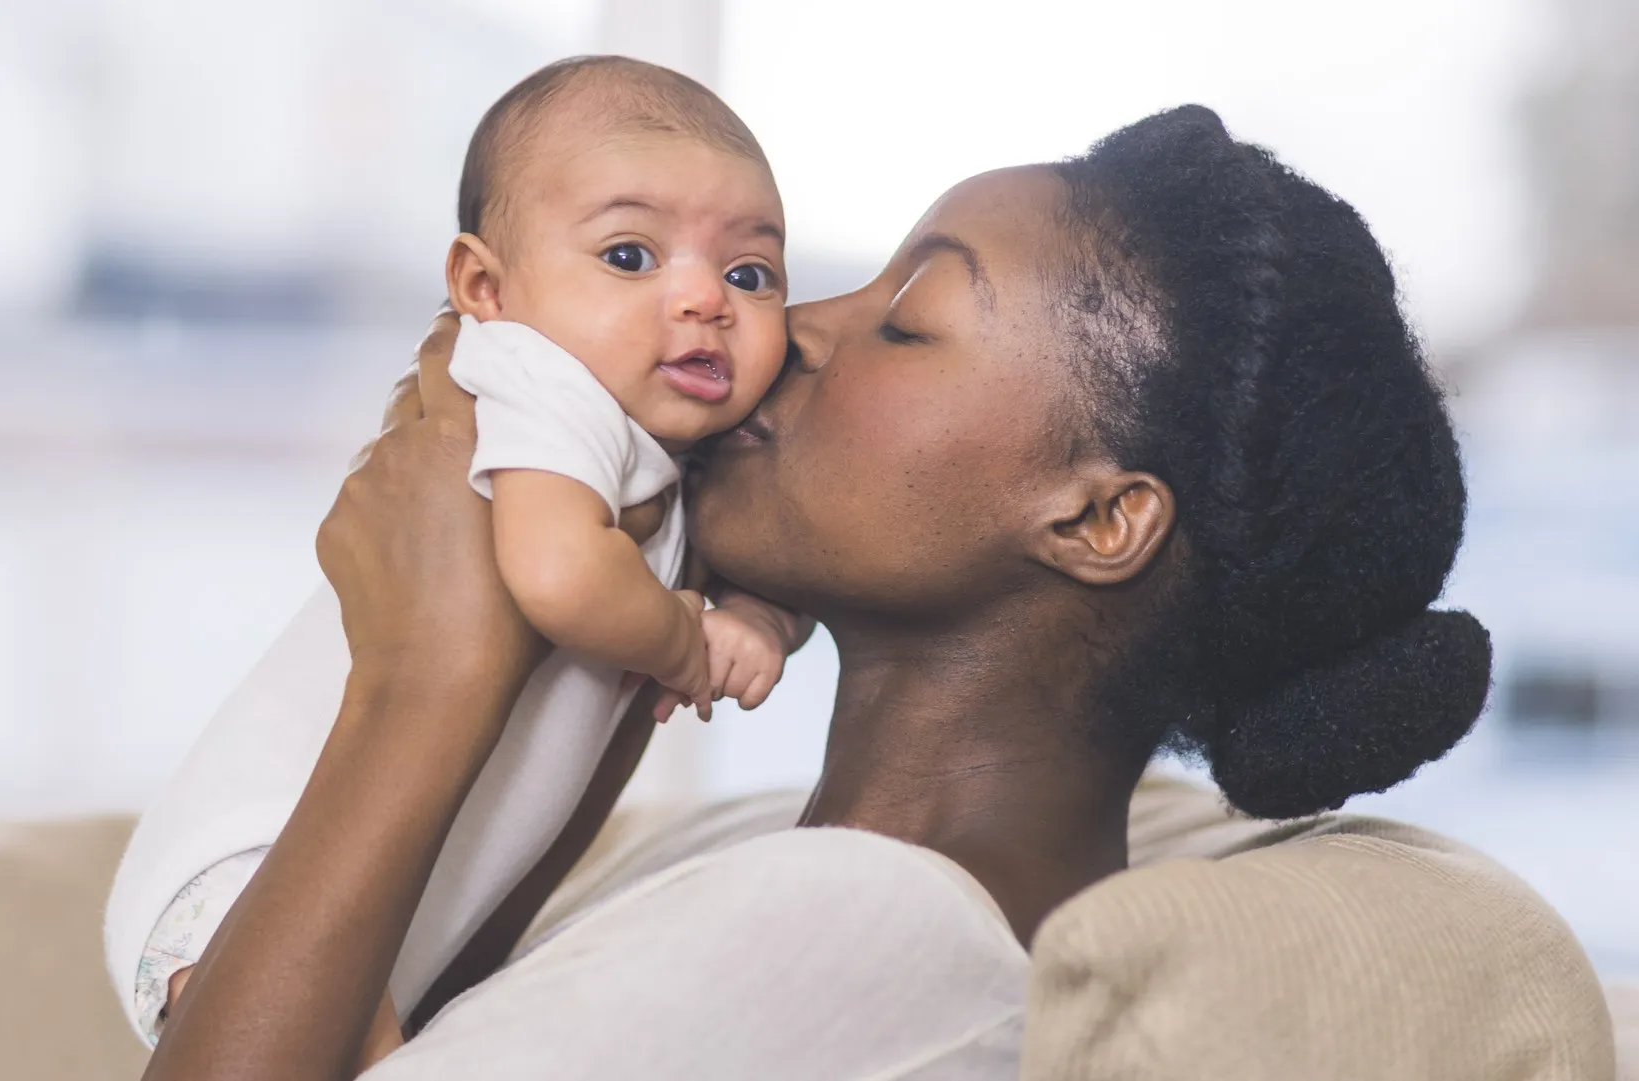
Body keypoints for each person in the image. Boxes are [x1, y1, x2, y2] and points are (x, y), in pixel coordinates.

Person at [142, 105, 1496, 1080]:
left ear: (1097, 517)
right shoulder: (781, 864)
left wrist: (419, 685)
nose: (789, 330)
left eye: (908, 321)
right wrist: (577, 674)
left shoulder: (869, 930)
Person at [103, 56, 813, 1043]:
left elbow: (781, 566)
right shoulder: (537, 380)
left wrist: (763, 619)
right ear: (485, 286)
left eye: (749, 273)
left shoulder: (665, 449)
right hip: (248, 868)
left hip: (397, 890)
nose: (705, 299)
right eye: (628, 256)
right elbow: (562, 575)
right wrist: (693, 642)